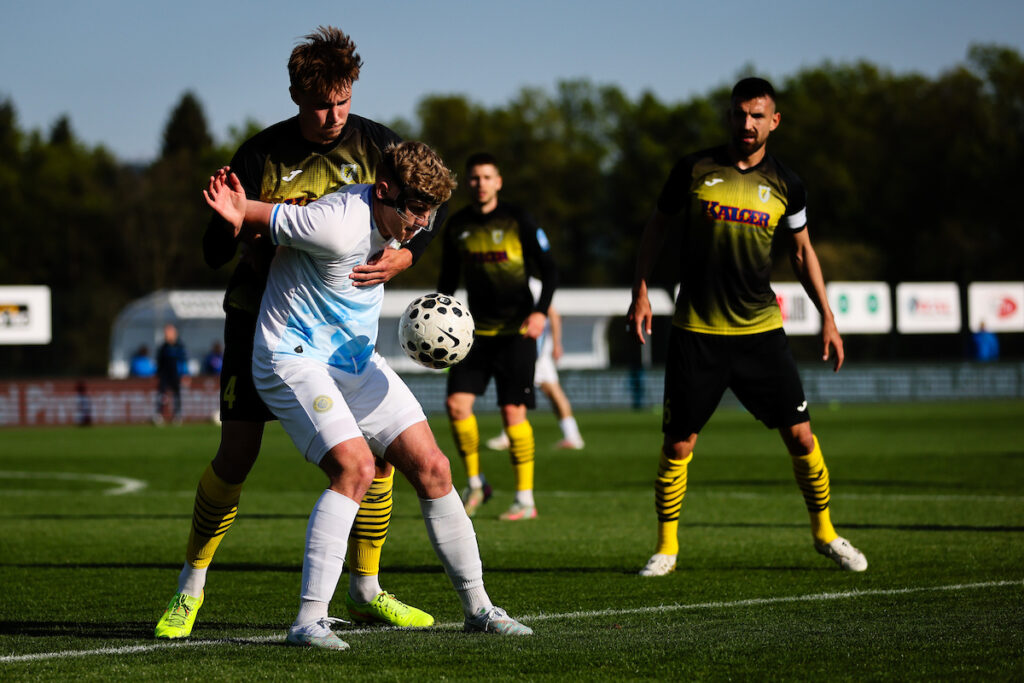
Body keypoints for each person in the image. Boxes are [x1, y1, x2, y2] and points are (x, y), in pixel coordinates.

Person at [155, 26, 439, 640]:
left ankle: (367, 589)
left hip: (339, 333)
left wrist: (407, 256)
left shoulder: (379, 144)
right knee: (237, 456)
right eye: (319, 105)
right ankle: (189, 587)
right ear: (294, 95)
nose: (333, 116)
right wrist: (232, 223)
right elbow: (213, 251)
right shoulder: (261, 154)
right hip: (261, 321)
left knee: (379, 460)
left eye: (342, 101)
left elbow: (427, 207)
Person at [204, 140, 532, 649]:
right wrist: (235, 208)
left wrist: (406, 251)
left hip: (353, 360)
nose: (423, 224)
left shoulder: (400, 224)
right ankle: (308, 621)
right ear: (383, 191)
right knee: (355, 468)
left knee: (435, 468)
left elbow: (415, 227)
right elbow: (257, 213)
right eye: (416, 209)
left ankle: (479, 609)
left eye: (432, 212)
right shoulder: (335, 224)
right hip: (292, 357)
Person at [627, 77, 867, 577]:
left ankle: (825, 533)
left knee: (802, 438)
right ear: (729, 116)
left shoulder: (788, 183)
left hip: (760, 332)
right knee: (678, 446)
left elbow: (802, 252)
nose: (748, 123)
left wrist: (828, 317)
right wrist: (641, 290)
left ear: (774, 121)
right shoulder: (694, 168)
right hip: (697, 331)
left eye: (758, 115)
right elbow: (657, 227)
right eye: (740, 113)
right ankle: (666, 548)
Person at [438, 153, 558, 520]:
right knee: (456, 406)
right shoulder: (458, 225)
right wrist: (440, 320)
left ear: (498, 182)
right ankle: (476, 484)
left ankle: (525, 499)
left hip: (516, 332)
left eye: (487, 177)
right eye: (474, 178)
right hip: (474, 334)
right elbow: (447, 280)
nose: (481, 183)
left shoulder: (518, 219)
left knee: (511, 412)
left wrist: (540, 312)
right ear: (467, 182)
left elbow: (550, 270)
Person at [486, 297, 584, 451]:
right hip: (528, 350)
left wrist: (556, 344)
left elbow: (553, 315)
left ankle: (572, 436)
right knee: (523, 392)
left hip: (535, 352)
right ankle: (572, 436)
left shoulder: (534, 287)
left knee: (546, 393)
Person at [153, 324, 188, 425]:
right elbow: (159, 362)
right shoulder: (163, 347)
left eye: (169, 332)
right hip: (164, 374)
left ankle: (177, 415)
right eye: (166, 333)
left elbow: (183, 361)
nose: (167, 335)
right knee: (162, 395)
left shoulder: (179, 347)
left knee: (176, 394)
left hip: (176, 374)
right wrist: (158, 373)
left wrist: (185, 374)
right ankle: (159, 415)